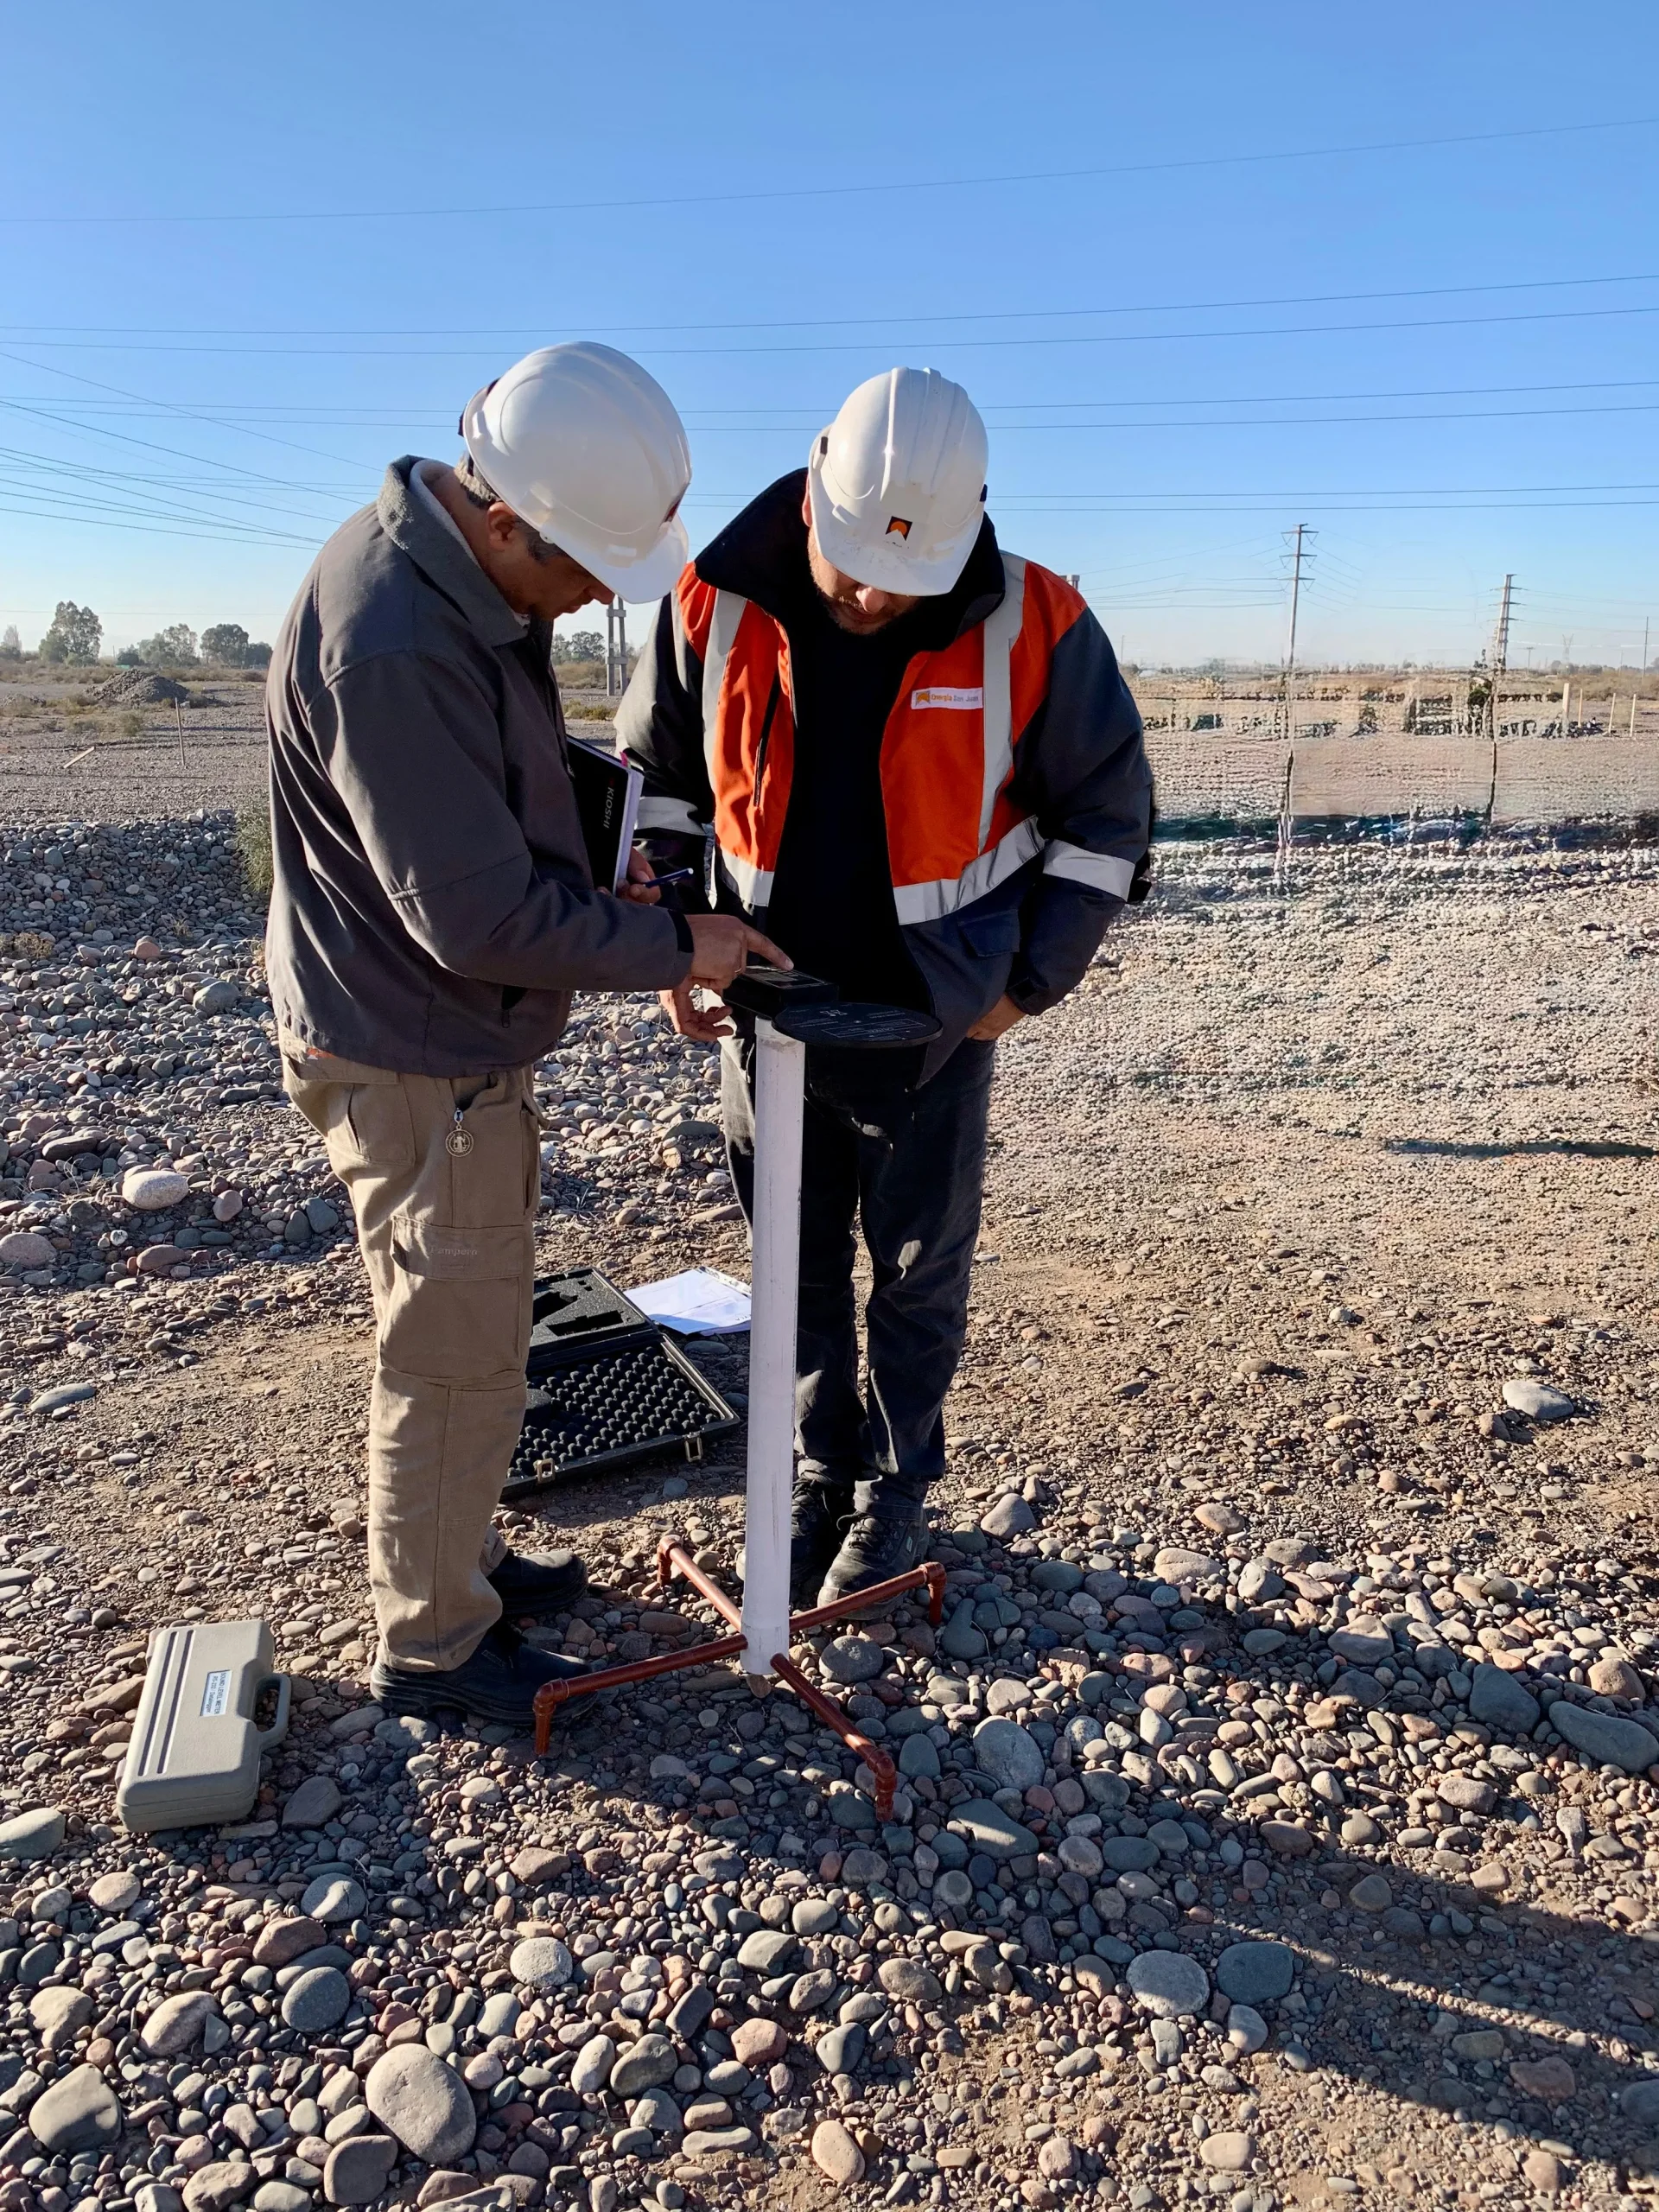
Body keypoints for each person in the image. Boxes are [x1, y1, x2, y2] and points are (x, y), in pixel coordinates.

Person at [264, 342, 787, 1726]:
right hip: (413, 1041)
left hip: (425, 1029)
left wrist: (604, 849)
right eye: (581, 570)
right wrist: (684, 945)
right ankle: (435, 1645)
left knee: (474, 1320)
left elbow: (492, 807)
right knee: (447, 1347)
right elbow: (476, 918)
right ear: (505, 516)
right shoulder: (394, 638)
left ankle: (463, 1556)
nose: (596, 599)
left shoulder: (459, 582)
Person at [620, 365, 1153, 1608]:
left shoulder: (1038, 622)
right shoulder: (712, 600)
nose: (868, 596)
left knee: (918, 1272)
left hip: (938, 1021)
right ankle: (820, 1471)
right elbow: (659, 791)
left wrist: (1029, 986)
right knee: (794, 1268)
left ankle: (899, 1487)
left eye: (900, 578)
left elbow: (1107, 821)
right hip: (770, 1014)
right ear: (813, 478)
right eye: (854, 561)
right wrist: (673, 939)